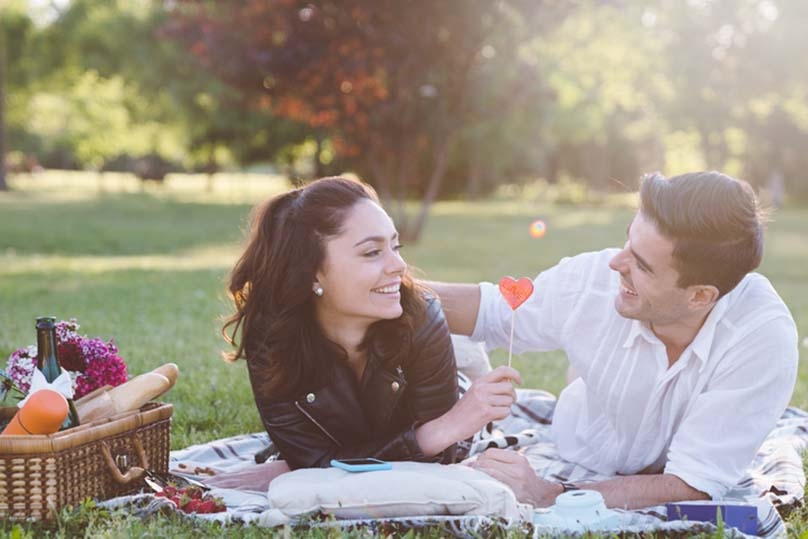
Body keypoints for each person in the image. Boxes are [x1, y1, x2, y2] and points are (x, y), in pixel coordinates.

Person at [431, 171, 798, 509]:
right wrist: (387, 285)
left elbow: (693, 483)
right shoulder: (593, 279)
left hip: (656, 466)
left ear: (700, 296)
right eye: (627, 240)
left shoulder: (761, 338)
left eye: (642, 264)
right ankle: (581, 377)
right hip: (579, 439)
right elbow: (491, 311)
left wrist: (553, 494)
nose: (616, 263)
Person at [208, 176, 521, 491]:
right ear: (312, 272)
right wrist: (437, 432)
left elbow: (441, 459)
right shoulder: (272, 336)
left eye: (395, 246)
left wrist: (452, 425)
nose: (399, 265)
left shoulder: (423, 319)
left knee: (463, 355)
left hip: (451, 365)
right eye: (372, 252)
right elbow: (309, 461)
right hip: (381, 423)